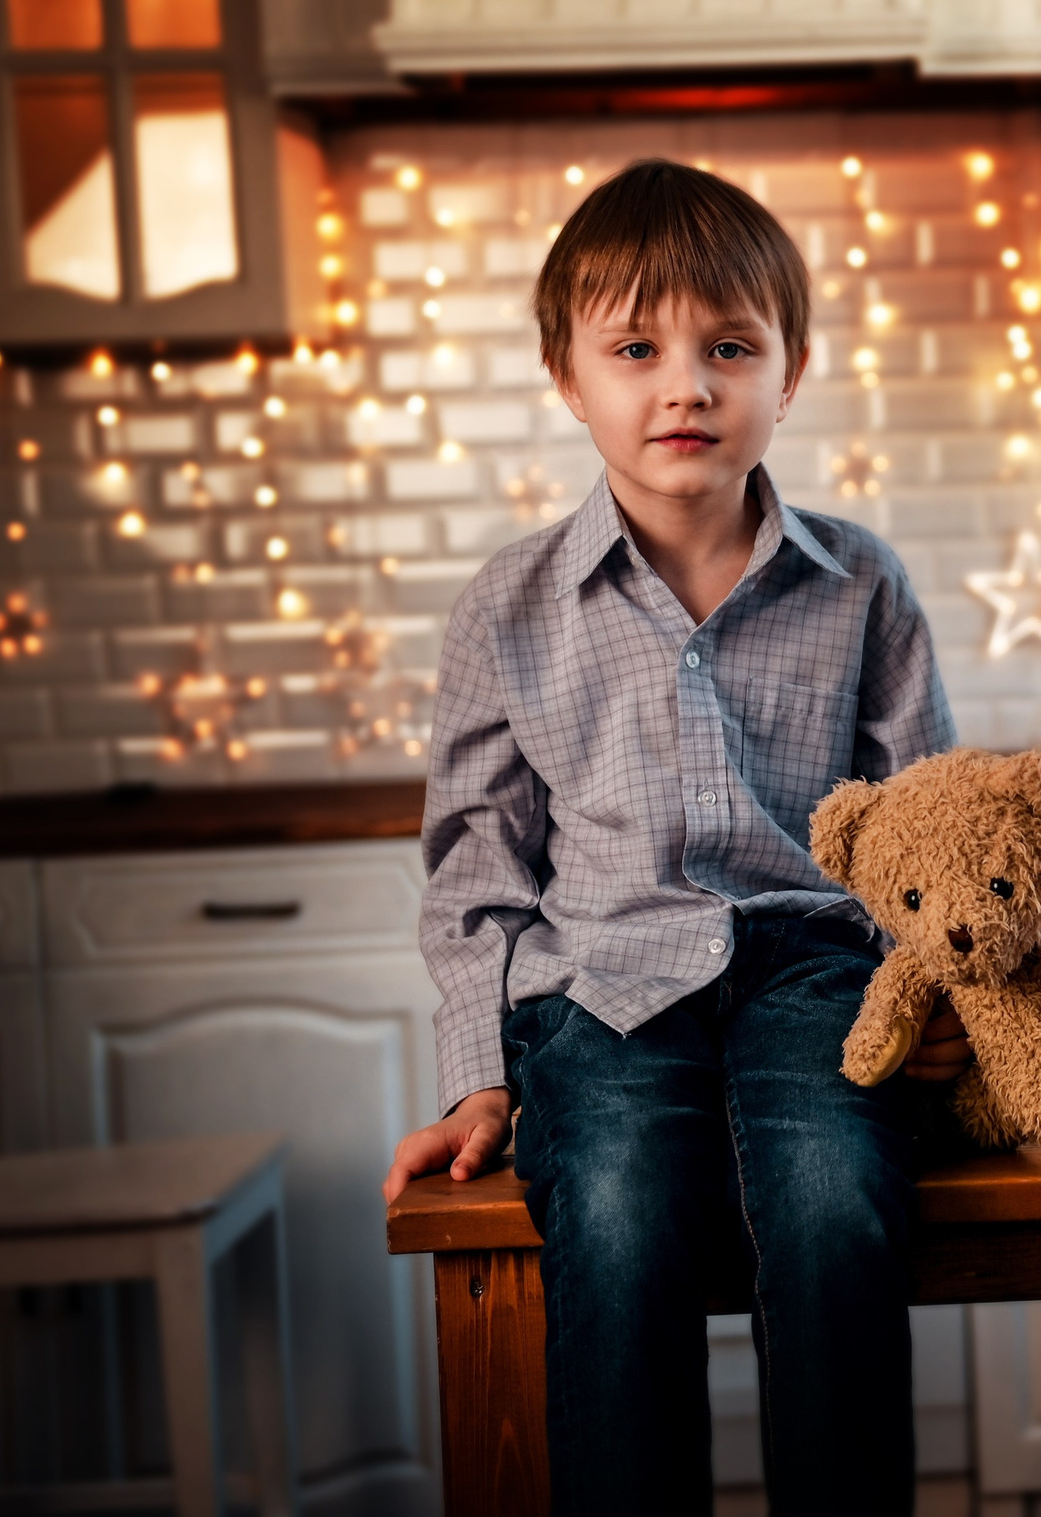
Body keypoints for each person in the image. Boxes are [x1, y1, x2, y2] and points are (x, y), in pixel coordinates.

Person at [380, 159, 964, 1516]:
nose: (685, 386)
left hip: (813, 971)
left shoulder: (865, 582)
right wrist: (482, 1073)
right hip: (604, 987)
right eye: (637, 350)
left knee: (829, 1212)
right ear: (569, 377)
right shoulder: (509, 606)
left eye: (729, 349)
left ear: (793, 370)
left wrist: (937, 999)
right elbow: (477, 873)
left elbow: (924, 827)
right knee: (622, 1221)